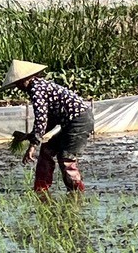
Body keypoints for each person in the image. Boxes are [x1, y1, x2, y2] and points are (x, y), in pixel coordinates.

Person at [8, 60, 95, 196]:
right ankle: (40, 190)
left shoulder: (36, 89)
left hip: (78, 120)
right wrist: (31, 136)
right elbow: (47, 119)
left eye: (19, 83)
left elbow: (41, 118)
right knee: (46, 151)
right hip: (65, 120)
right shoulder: (40, 86)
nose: (18, 87)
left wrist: (32, 146)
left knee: (66, 158)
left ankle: (77, 193)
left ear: (27, 78)